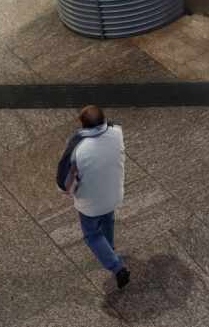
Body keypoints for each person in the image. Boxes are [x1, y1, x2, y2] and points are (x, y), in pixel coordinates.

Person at [56, 105, 130, 289]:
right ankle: (109, 248)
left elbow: (64, 183)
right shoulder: (117, 132)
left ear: (83, 124)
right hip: (113, 194)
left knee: (92, 235)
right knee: (108, 220)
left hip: (90, 204)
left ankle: (117, 266)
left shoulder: (78, 147)